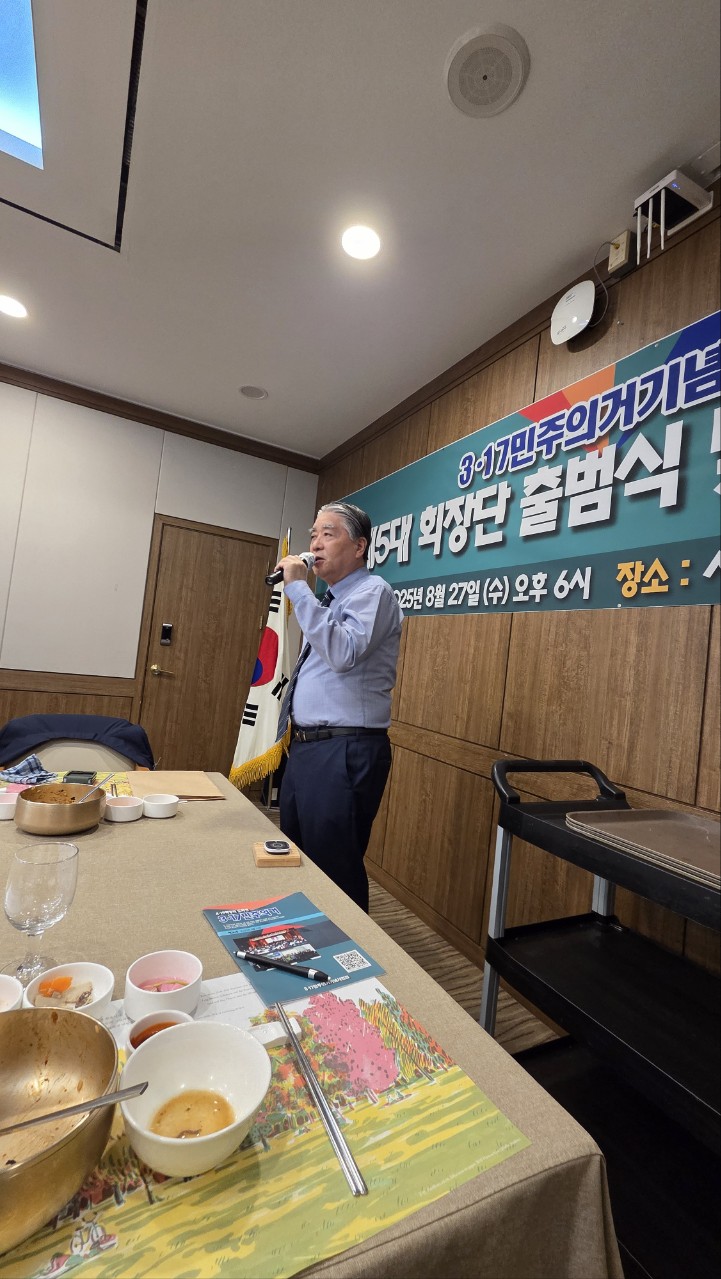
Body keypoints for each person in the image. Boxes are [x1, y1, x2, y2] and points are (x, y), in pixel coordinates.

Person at [273, 502, 403, 911]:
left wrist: (298, 588)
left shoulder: (373, 592)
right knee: (298, 856)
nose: (315, 544)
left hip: (344, 750)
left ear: (359, 546)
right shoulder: (327, 601)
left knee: (334, 870)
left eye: (328, 534)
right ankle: (302, 937)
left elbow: (343, 652)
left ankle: (347, 949)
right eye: (313, 535)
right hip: (308, 749)